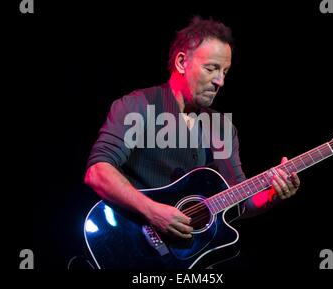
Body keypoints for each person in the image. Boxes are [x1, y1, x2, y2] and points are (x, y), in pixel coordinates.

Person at [84, 16, 300, 265]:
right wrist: (153, 212)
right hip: (131, 247)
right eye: (211, 68)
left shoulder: (222, 128)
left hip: (189, 260)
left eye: (225, 72)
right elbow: (98, 172)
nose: (220, 81)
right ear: (181, 62)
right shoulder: (138, 106)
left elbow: (241, 203)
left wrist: (272, 194)